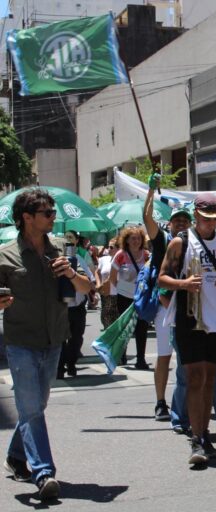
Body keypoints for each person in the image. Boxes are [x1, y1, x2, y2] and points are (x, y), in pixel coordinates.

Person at [0, 188, 91, 500]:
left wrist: (70, 272)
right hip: (20, 341)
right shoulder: (6, 255)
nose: (54, 217)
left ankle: (15, 456)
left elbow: (86, 287)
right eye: (47, 213)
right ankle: (44, 473)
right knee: (30, 407)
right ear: (27, 218)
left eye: (53, 212)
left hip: (54, 339)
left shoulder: (62, 249)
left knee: (35, 406)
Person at [158, 193, 216, 465]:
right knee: (194, 378)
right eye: (206, 218)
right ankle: (196, 439)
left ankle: (204, 433)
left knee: (209, 379)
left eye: (215, 218)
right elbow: (161, 278)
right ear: (196, 216)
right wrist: (183, 284)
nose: (211, 223)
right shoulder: (180, 241)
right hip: (189, 315)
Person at [143, 174, 193, 421]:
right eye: (177, 221)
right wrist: (151, 192)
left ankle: (185, 402)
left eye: (186, 220)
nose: (181, 223)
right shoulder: (162, 239)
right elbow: (147, 218)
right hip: (165, 307)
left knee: (188, 359)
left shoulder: (195, 244)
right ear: (170, 225)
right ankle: (160, 402)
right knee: (164, 356)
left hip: (189, 308)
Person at [110, 226, 151, 369]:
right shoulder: (121, 254)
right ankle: (122, 356)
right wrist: (122, 289)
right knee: (125, 327)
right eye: (132, 238)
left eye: (138, 238)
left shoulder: (146, 255)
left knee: (142, 327)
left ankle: (141, 359)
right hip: (124, 297)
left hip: (141, 297)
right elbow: (113, 277)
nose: (136, 241)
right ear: (126, 240)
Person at [58, 232, 96, 379]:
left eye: (71, 240)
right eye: (66, 241)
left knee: (76, 337)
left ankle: (71, 363)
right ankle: (60, 367)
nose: (68, 243)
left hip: (78, 305)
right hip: (60, 307)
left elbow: (89, 280)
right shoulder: (56, 260)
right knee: (60, 338)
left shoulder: (79, 258)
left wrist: (92, 295)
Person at [97, 240, 119, 330]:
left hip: (119, 295)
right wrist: (98, 283)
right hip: (106, 294)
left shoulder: (124, 261)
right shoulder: (103, 259)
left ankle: (118, 343)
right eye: (108, 247)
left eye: (111, 247)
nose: (108, 249)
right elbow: (97, 272)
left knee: (118, 322)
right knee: (105, 319)